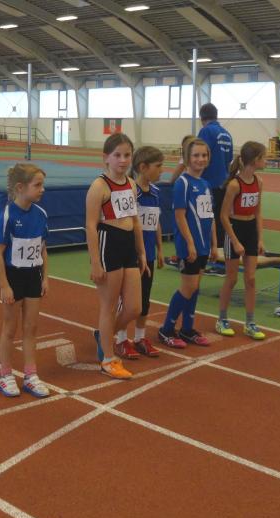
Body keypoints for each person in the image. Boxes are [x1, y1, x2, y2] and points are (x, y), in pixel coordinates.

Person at [86, 133, 148, 380]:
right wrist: (95, 262)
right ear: (106, 158)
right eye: (117, 155)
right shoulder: (99, 186)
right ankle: (108, 360)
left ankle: (103, 334)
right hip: (108, 242)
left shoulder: (131, 184)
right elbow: (91, 226)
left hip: (128, 244)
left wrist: (141, 251)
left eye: (127, 155)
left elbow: (135, 220)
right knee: (109, 306)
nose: (123, 160)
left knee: (134, 307)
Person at [0, 163, 50, 398]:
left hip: (33, 275)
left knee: (31, 328)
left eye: (42, 185)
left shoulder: (41, 215)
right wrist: (5, 285)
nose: (42, 189)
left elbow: (43, 248)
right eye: (37, 185)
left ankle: (30, 375)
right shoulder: (8, 215)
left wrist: (45, 277)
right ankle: (5, 374)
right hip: (13, 276)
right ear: (20, 187)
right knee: (10, 328)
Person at [158, 137, 217, 348]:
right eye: (196, 155)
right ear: (187, 158)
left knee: (195, 287)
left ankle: (187, 329)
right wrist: (190, 243)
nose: (201, 159)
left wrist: (214, 244)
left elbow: (210, 216)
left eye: (204, 155)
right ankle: (166, 329)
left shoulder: (206, 184)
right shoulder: (183, 183)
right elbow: (180, 216)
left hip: (203, 245)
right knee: (187, 287)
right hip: (189, 245)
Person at [114, 146, 164, 358]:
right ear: (143, 167)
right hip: (130, 255)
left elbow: (156, 222)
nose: (162, 170)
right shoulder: (131, 192)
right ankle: (120, 338)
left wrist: (160, 249)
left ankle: (140, 337)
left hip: (149, 254)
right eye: (158, 166)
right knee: (127, 301)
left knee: (144, 299)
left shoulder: (155, 193)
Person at [216, 141, 267, 341]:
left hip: (250, 230)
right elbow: (223, 216)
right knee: (232, 278)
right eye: (264, 157)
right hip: (234, 230)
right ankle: (222, 319)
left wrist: (260, 238)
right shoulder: (234, 185)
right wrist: (235, 241)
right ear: (255, 160)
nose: (266, 161)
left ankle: (250, 322)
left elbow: (258, 212)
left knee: (251, 278)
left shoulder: (259, 182)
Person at [197, 103, 233, 251]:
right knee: (220, 218)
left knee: (206, 218)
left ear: (201, 117)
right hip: (224, 183)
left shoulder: (206, 131)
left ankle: (207, 250)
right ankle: (219, 251)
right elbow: (229, 160)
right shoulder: (227, 134)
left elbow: (200, 155)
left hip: (209, 183)